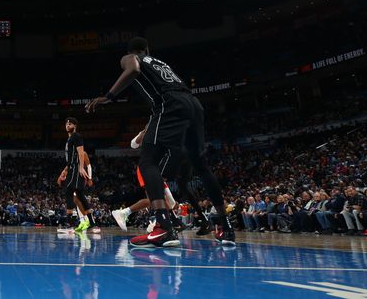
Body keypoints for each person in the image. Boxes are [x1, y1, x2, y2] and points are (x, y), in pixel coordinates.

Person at [86, 37, 235, 247]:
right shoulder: (160, 63)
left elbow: (134, 70)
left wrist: (108, 97)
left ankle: (163, 227)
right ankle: (225, 227)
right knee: (201, 167)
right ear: (148, 49)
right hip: (193, 104)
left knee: (148, 163)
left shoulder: (131, 57)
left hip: (169, 104)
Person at [56, 118, 98, 234]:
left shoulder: (76, 136)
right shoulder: (70, 138)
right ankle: (92, 223)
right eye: (66, 123)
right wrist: (64, 172)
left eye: (70, 124)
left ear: (75, 126)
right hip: (71, 168)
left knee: (69, 192)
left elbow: (80, 152)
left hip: (75, 168)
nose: (67, 125)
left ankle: (69, 226)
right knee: (80, 195)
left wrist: (80, 167)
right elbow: (70, 160)